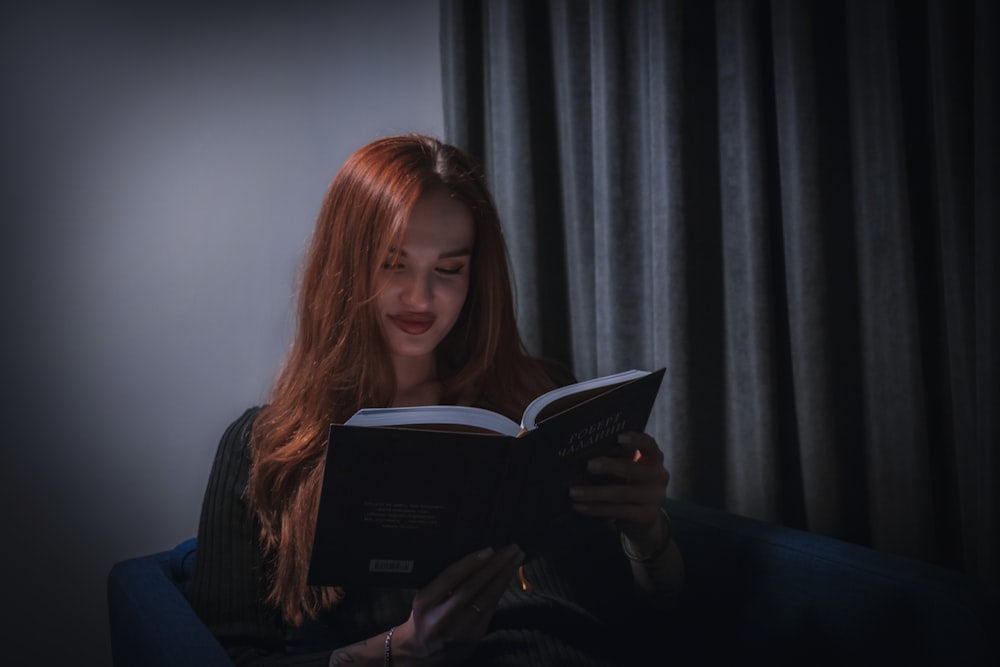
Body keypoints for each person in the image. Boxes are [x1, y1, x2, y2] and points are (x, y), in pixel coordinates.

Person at [188, 134, 684, 666]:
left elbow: (647, 619)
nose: (421, 298)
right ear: (343, 269)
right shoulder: (260, 447)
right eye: (393, 264)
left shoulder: (536, 399)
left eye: (449, 270)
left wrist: (646, 532)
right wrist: (397, 651)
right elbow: (225, 657)